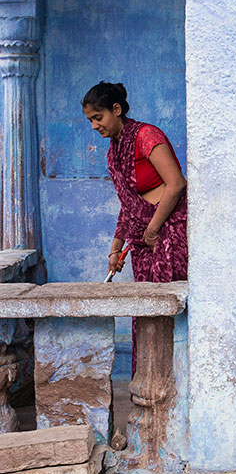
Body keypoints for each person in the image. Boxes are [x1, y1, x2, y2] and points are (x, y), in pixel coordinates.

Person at [82, 82, 187, 371]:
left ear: (116, 109)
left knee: (169, 314)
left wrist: (152, 230)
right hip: (144, 243)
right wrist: (115, 249)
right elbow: (128, 203)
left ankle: (176, 385)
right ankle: (149, 384)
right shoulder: (114, 151)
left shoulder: (146, 136)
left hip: (170, 234)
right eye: (90, 120)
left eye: (98, 117)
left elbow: (176, 184)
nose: (94, 126)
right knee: (145, 315)